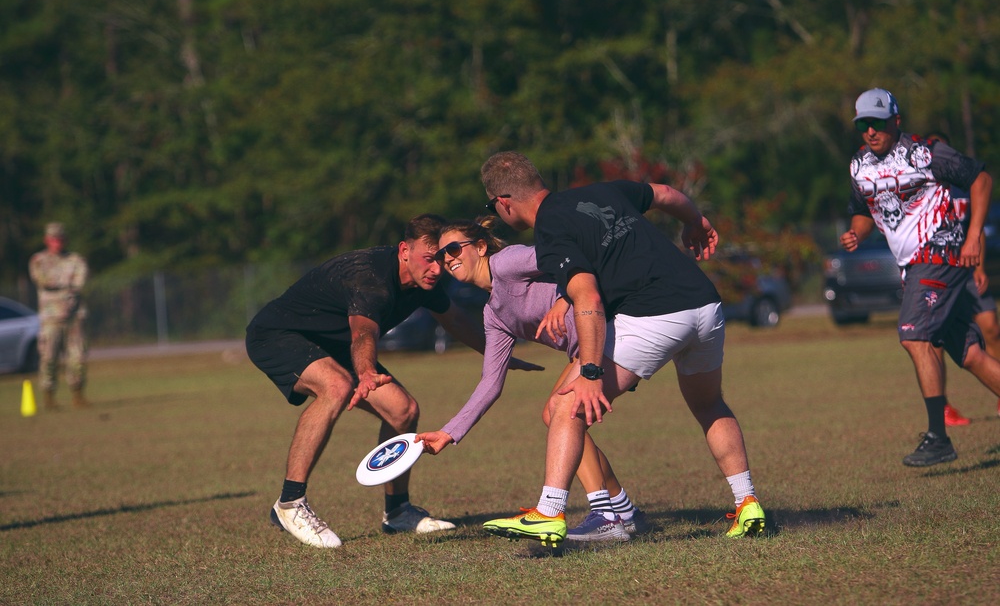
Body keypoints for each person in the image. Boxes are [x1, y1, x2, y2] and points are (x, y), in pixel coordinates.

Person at [474, 152, 766, 546]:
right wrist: (695, 222)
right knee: (710, 404)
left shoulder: (550, 229)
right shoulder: (601, 190)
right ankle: (746, 502)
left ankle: (549, 511)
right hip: (705, 305)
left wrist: (591, 373)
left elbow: (588, 297)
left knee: (565, 406)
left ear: (503, 203)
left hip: (654, 317)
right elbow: (665, 194)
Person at [246, 214, 541, 549]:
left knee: (403, 411)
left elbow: (455, 319)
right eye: (429, 259)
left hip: (331, 343)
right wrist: (367, 371)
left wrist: (498, 354)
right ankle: (290, 503)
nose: (436, 269)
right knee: (337, 386)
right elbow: (362, 333)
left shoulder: (426, 282)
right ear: (404, 250)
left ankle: (398, 512)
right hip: (277, 334)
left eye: (442, 259)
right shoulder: (371, 277)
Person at [413, 217, 648, 542]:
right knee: (557, 415)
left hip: (612, 333)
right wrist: (448, 433)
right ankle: (624, 512)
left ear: (479, 247)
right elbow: (490, 384)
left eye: (453, 249)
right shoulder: (493, 315)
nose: (448, 259)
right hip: (589, 350)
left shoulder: (508, 262)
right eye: (441, 256)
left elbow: (572, 258)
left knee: (559, 412)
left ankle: (607, 516)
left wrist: (566, 298)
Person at [839, 88, 1000, 467]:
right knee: (969, 353)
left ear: (896, 120)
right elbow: (864, 210)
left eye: (877, 123)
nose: (870, 131)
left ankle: (938, 437)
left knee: (914, 336)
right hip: (915, 264)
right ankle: (939, 433)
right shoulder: (859, 166)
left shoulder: (924, 152)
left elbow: (981, 180)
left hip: (940, 252)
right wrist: (856, 233)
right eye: (864, 125)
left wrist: (974, 234)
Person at [926, 131, 1000, 425]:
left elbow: (977, 227)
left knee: (991, 327)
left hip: (968, 269)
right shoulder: (921, 186)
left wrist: (980, 268)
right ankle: (943, 407)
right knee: (936, 340)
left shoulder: (963, 184)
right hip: (939, 273)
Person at [28, 222, 89, 410]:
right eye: (53, 239)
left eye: (60, 239)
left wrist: (62, 287)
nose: (57, 242)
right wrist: (66, 285)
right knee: (49, 359)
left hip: (74, 317)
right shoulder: (38, 260)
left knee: (77, 358)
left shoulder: (75, 260)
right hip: (50, 319)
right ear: (47, 240)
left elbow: (80, 282)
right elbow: (44, 281)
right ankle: (49, 399)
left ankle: (78, 396)